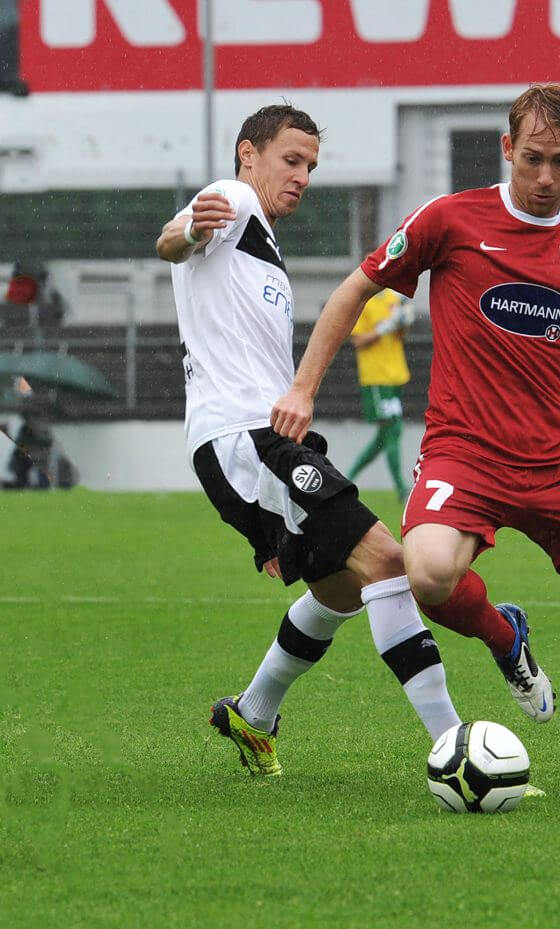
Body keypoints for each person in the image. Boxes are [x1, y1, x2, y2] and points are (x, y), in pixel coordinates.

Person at [272, 84, 560, 793]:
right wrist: (302, 388)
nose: (543, 177)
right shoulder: (450, 220)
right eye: (531, 158)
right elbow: (354, 289)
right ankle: (505, 635)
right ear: (507, 148)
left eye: (559, 163)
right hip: (465, 452)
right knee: (428, 571)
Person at [155, 104, 461, 778]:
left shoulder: (260, 238)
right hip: (242, 439)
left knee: (343, 589)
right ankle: (456, 750)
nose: (302, 177)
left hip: (261, 442)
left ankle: (252, 713)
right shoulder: (233, 200)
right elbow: (176, 238)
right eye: (290, 161)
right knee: (385, 560)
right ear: (248, 155)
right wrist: (181, 231)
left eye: (311, 167)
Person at [347, 289, 414, 501]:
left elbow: (400, 334)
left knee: (386, 435)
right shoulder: (363, 302)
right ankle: (402, 489)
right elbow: (357, 341)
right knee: (393, 429)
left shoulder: (394, 299)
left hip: (395, 375)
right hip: (376, 377)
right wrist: (384, 327)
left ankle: (348, 478)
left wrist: (403, 322)